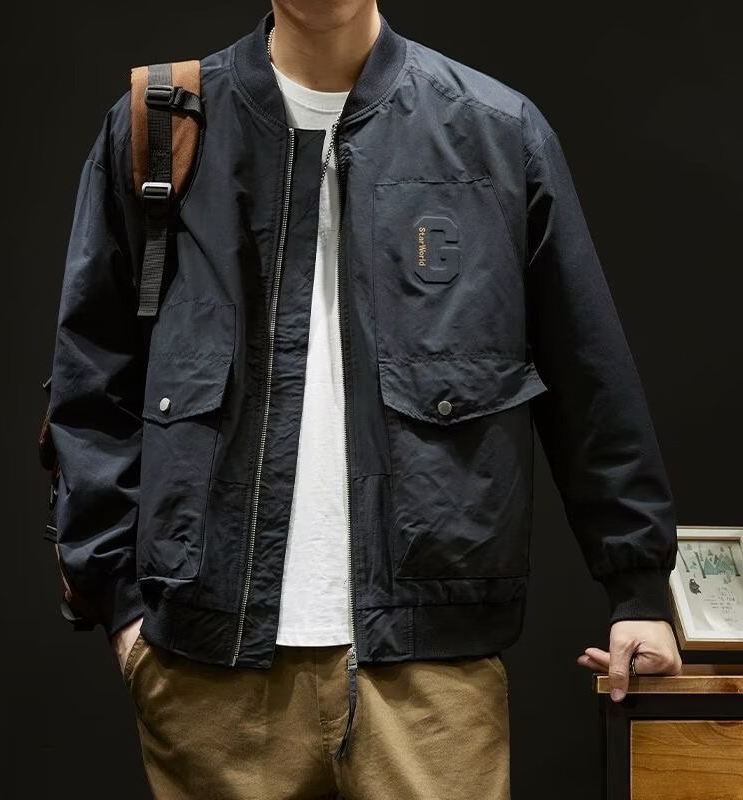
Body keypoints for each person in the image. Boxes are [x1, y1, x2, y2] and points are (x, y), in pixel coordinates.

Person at [46, 1, 683, 797]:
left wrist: (638, 592)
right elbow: (90, 383)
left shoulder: (496, 132)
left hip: (432, 675)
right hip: (207, 675)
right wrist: (122, 609)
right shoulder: (161, 126)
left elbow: (590, 378)